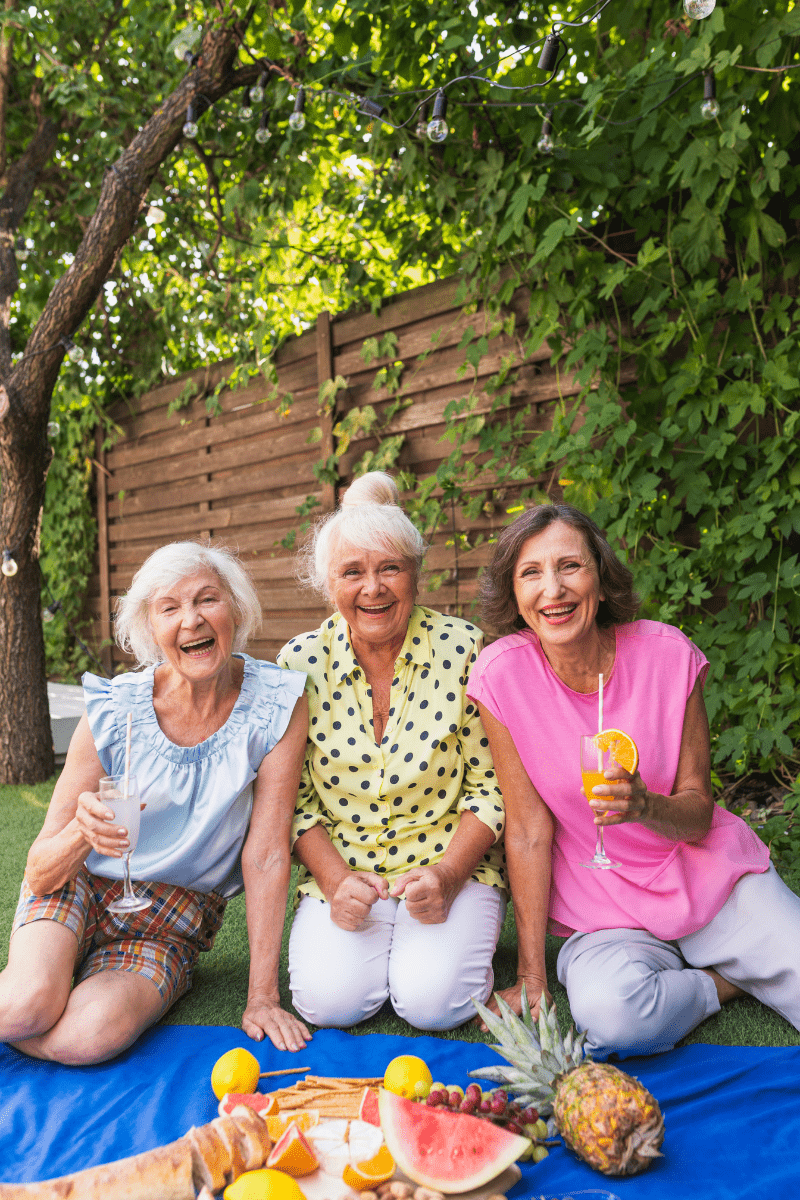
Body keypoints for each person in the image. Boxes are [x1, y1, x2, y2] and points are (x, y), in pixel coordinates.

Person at [467, 502, 800, 1058]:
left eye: (570, 566)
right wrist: (532, 975)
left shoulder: (669, 656)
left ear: (599, 574)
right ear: (514, 593)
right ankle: (724, 981)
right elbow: (526, 829)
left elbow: (698, 811)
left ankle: (728, 952)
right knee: (615, 1018)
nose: (553, 589)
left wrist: (646, 805)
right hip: (601, 907)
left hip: (706, 877)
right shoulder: (502, 676)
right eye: (531, 573)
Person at [0, 542, 311, 1064]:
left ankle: (64, 988)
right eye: (170, 608)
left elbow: (266, 855)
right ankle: (47, 984)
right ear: (150, 627)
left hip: (171, 922)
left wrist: (262, 997)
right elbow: (40, 869)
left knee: (86, 1037)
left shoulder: (277, 705)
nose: (191, 620)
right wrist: (83, 832)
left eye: (207, 600)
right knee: (27, 1005)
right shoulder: (114, 709)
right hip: (82, 883)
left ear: (234, 609)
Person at [278, 472, 507, 1031]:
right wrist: (334, 882)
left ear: (416, 574)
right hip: (347, 869)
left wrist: (450, 875)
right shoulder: (298, 663)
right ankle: (391, 952)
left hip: (451, 864)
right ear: (328, 583)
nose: (372, 588)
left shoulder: (464, 648)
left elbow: (491, 787)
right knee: (327, 1004)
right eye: (352, 571)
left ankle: (441, 947)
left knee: (435, 1005)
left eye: (390, 568)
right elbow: (295, 801)